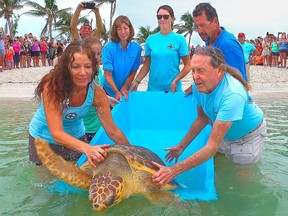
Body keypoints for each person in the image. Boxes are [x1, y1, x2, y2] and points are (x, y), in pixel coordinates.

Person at [151, 46, 267, 187]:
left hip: (247, 136)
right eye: (193, 70)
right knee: (220, 168)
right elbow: (202, 118)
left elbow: (211, 147)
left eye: (201, 70)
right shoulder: (199, 85)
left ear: (219, 71)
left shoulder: (232, 95)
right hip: (225, 132)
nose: (195, 76)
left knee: (244, 182)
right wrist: (181, 146)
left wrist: (173, 171)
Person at [28, 41, 130, 167]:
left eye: (87, 66)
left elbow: (112, 130)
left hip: (76, 138)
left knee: (78, 179)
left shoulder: (97, 93)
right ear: (66, 68)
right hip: (43, 139)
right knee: (44, 183)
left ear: (94, 68)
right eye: (76, 67)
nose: (83, 73)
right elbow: (56, 132)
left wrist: (132, 151)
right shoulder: (52, 86)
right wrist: (87, 148)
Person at [130, 5, 191, 92]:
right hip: (153, 89)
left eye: (165, 17)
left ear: (172, 18)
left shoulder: (180, 40)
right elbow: (147, 65)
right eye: (159, 17)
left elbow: (188, 66)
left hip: (173, 89)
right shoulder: (150, 40)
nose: (162, 19)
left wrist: (175, 80)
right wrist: (136, 81)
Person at [192, 3, 247, 81]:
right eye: (197, 26)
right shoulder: (209, 40)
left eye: (203, 25)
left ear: (215, 22)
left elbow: (238, 82)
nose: (199, 31)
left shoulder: (228, 45)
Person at [82, 36, 118, 141]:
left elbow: (96, 91)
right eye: (93, 54)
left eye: (99, 54)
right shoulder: (82, 73)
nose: (97, 57)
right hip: (84, 125)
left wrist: (106, 98)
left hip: (97, 122)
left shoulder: (99, 70)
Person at [102, 15, 142, 101]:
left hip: (126, 90)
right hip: (108, 90)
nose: (123, 31)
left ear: (130, 29)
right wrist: (116, 91)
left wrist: (124, 87)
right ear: (115, 31)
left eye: (125, 28)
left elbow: (133, 71)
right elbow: (107, 74)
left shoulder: (137, 48)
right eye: (119, 29)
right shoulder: (108, 48)